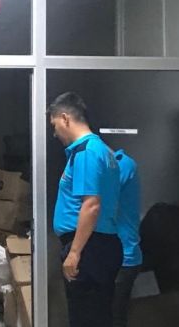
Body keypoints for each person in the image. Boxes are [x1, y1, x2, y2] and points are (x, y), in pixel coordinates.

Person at [48, 92, 123, 327]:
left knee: (85, 317)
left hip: (89, 247)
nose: (54, 133)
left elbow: (91, 205)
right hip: (101, 244)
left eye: (54, 125)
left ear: (65, 118)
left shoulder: (86, 152)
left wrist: (74, 252)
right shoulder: (104, 150)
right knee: (98, 315)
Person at [112, 149, 142, 327]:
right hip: (116, 255)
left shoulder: (122, 164)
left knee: (113, 317)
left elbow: (95, 205)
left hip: (122, 256)